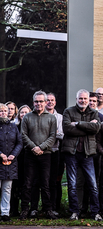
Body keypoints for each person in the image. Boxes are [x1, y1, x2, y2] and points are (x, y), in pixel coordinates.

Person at [62, 89, 102, 221]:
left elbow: (96, 129)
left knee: (93, 184)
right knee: (72, 184)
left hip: (87, 153)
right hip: (71, 153)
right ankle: (74, 212)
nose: (83, 101)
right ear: (76, 99)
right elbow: (67, 129)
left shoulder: (94, 112)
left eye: (85, 99)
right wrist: (87, 128)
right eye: (81, 98)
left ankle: (95, 212)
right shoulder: (68, 111)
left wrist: (78, 124)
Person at [19, 91, 58, 219]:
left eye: (41, 101)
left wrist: (41, 147)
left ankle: (48, 209)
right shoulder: (27, 117)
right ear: (33, 102)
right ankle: (25, 209)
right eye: (36, 101)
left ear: (46, 102)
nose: (39, 104)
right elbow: (23, 135)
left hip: (46, 154)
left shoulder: (51, 118)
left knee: (45, 183)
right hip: (30, 155)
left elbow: (53, 136)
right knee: (28, 183)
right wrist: (33, 147)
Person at [0, 103, 22, 221]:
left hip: (10, 162)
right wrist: (1, 155)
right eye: (0, 111)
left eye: (4, 111)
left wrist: (13, 154)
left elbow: (19, 142)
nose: (2, 113)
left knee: (7, 189)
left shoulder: (13, 127)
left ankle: (5, 213)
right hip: (0, 160)